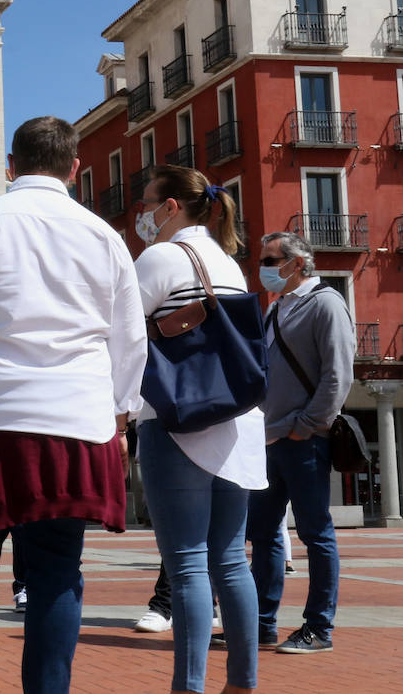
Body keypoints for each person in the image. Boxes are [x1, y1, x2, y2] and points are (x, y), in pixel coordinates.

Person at [0, 116, 146, 694]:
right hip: (75, 422)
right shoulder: (104, 236)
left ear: (10, 166)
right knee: (56, 573)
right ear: (74, 168)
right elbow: (129, 339)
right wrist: (119, 419)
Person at [133, 165, 264, 694]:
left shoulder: (163, 256)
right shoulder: (228, 261)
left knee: (186, 566)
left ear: (170, 208)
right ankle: (243, 683)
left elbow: (121, 332)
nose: (141, 212)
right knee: (231, 563)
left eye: (147, 203)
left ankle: (188, 687)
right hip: (235, 421)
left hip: (177, 420)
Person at [246, 231, 354, 654]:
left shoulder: (326, 303)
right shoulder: (277, 309)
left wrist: (305, 425)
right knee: (264, 531)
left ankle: (318, 628)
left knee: (315, 533)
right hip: (272, 440)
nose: (265, 267)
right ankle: (260, 623)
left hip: (304, 439)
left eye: (271, 259)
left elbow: (337, 375)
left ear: (297, 262)